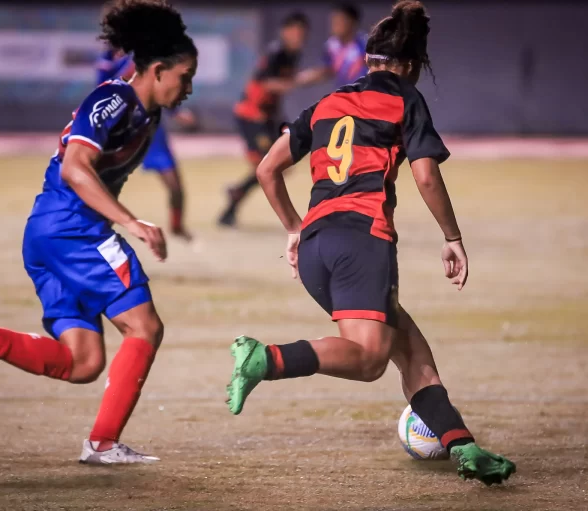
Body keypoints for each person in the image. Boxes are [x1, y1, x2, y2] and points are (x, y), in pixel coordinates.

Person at [226, 0, 516, 486]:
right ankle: (266, 359)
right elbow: (426, 177)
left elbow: (266, 169)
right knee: (368, 360)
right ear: (410, 65)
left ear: (368, 59)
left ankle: (464, 447)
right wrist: (453, 237)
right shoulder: (404, 98)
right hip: (362, 244)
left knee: (411, 351)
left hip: (318, 248)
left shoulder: (326, 103)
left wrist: (295, 228)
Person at [0, 0, 197, 465]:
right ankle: (103, 444)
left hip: (50, 234)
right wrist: (131, 222)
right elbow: (75, 167)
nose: (188, 87)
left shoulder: (146, 113)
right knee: (144, 326)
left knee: (84, 363)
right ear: (155, 70)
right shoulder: (114, 99)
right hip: (73, 230)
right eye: (184, 76)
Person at [218, 12, 309, 227]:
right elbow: (264, 83)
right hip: (252, 116)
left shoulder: (293, 55)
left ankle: (235, 195)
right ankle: (236, 199)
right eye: (296, 31)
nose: (299, 37)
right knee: (268, 165)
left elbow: (280, 87)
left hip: (269, 117)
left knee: (278, 165)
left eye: (303, 33)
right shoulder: (276, 53)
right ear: (285, 32)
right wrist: (295, 82)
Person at [97, 45, 197, 240]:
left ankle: (177, 227)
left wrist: (176, 112)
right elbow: (104, 90)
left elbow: (159, 86)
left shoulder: (146, 54)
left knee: (175, 186)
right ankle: (95, 230)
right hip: (121, 128)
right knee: (105, 187)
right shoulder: (109, 59)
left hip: (151, 130)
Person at [296, 3, 368, 88]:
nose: (334, 26)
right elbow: (328, 70)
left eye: (339, 21)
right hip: (345, 94)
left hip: (365, 92)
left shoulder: (365, 44)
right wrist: (306, 76)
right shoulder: (331, 46)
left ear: (352, 22)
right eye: (333, 21)